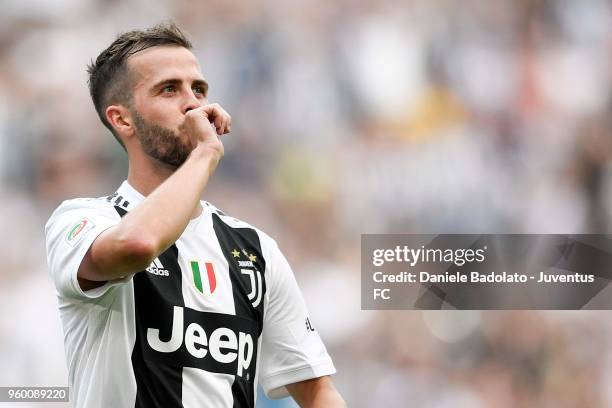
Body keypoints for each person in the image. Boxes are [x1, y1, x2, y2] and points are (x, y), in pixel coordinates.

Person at [44, 23, 345, 408]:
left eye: (199, 89)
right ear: (122, 119)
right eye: (169, 89)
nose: (193, 103)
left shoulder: (254, 249)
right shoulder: (82, 219)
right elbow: (137, 245)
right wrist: (205, 153)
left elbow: (316, 389)